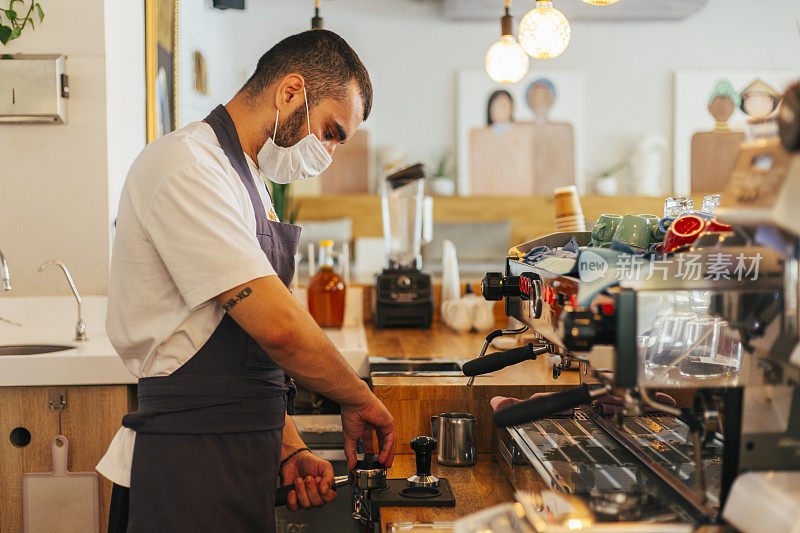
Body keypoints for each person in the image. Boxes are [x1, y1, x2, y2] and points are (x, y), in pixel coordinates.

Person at [96, 29, 396, 533]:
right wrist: (358, 397)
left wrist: (289, 446)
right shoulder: (187, 165)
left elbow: (244, 355)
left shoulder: (248, 179)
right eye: (331, 131)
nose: (329, 151)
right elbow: (277, 327)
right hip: (188, 462)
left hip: (243, 454)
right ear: (290, 93)